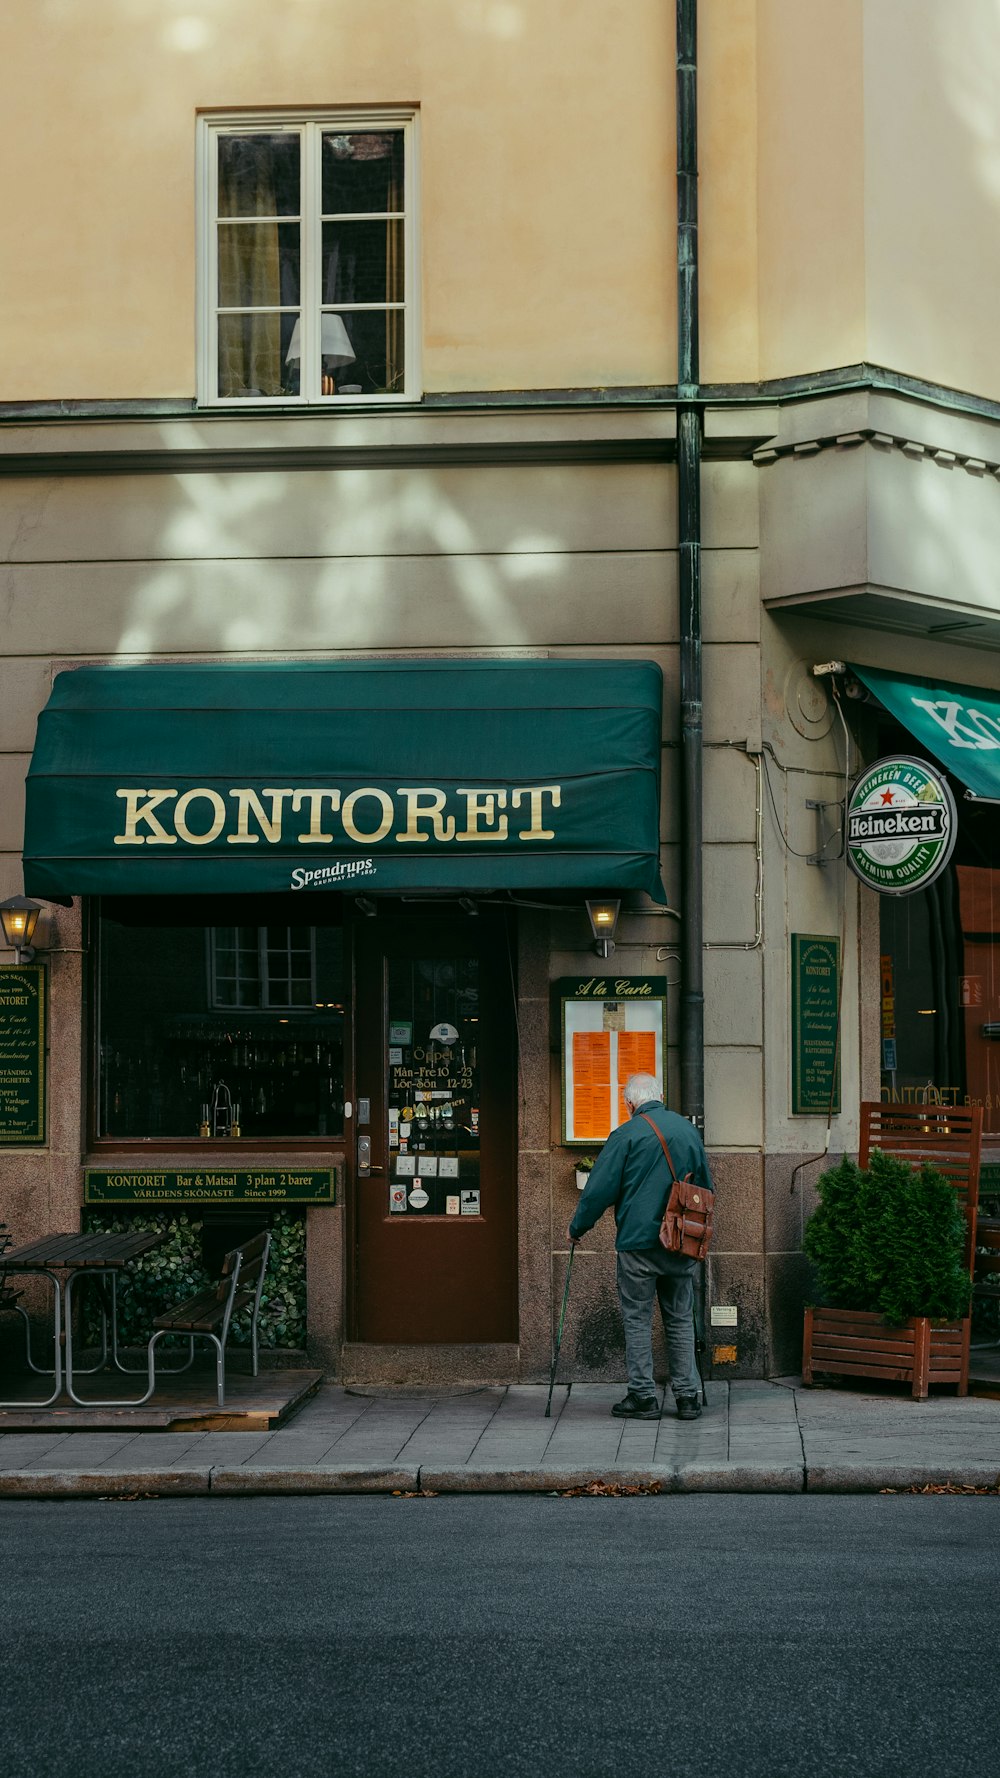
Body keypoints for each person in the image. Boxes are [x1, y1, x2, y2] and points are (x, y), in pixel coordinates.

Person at [568, 1072, 713, 1421]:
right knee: (680, 1318)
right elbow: (705, 1187)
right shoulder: (687, 1131)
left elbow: (599, 1190)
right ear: (660, 1096)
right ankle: (688, 1396)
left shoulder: (626, 1135)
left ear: (629, 1103)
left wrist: (578, 1228)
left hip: (637, 1243)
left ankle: (644, 1396)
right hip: (679, 1241)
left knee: (637, 1319)